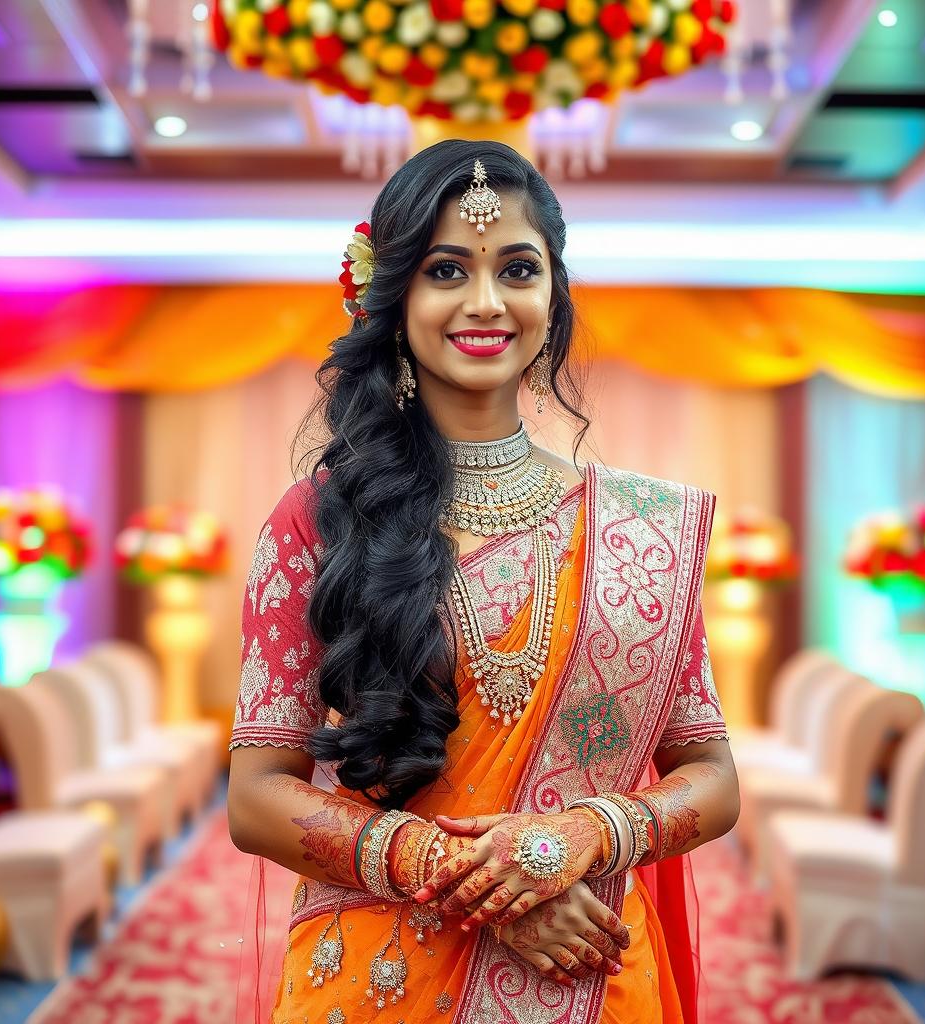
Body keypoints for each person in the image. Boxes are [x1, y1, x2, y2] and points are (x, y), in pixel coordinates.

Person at [227, 139, 740, 1024]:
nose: (486, 301)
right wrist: (476, 880)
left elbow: (712, 776)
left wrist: (578, 837)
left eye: (518, 268)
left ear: (554, 296)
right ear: (394, 295)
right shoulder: (318, 519)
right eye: (446, 270)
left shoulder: (635, 531)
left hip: (587, 964)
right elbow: (256, 797)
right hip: (380, 974)